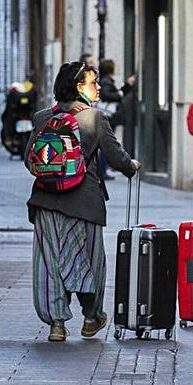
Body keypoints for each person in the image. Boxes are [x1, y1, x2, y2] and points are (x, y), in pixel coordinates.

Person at [25, 61, 139, 342]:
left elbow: (30, 158)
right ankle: (92, 317)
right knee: (88, 261)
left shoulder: (42, 117)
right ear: (79, 87)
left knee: (50, 263)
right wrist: (131, 166)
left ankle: (56, 325)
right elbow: (116, 157)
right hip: (84, 203)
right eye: (93, 82)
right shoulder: (94, 118)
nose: (99, 87)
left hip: (45, 202)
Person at [96, 59, 124, 180]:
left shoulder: (104, 80)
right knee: (106, 144)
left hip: (109, 116)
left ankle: (102, 169)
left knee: (105, 144)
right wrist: (119, 95)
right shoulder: (106, 81)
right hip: (109, 116)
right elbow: (107, 95)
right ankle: (102, 170)